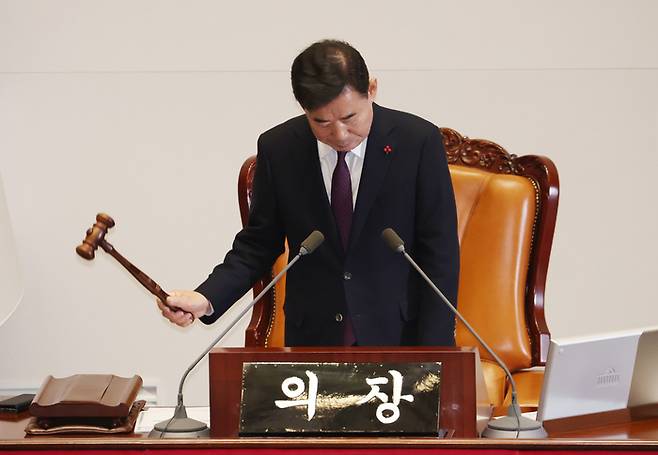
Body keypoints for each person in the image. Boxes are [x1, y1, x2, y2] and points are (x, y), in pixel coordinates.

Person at [157, 39, 460, 346]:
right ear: (304, 108)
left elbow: (439, 253)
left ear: (371, 89)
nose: (339, 135)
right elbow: (258, 244)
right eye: (322, 122)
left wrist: (435, 356)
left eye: (349, 118)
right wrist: (206, 297)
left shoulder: (417, 142)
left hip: (397, 338)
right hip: (314, 339)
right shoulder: (280, 148)